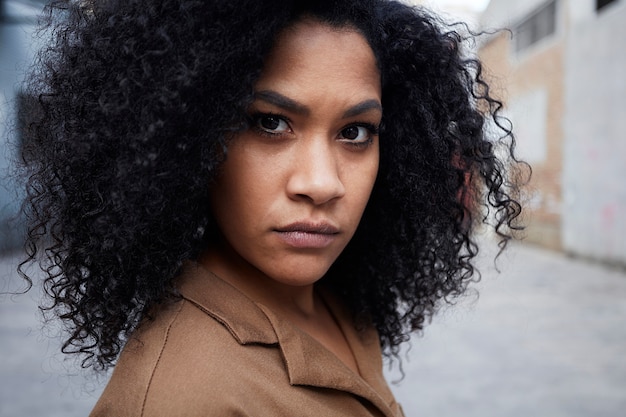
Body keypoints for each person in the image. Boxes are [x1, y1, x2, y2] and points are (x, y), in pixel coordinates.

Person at [18, 0, 527, 415]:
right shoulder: (187, 398)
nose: (322, 184)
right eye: (270, 123)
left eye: (354, 132)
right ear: (188, 139)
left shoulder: (336, 300)